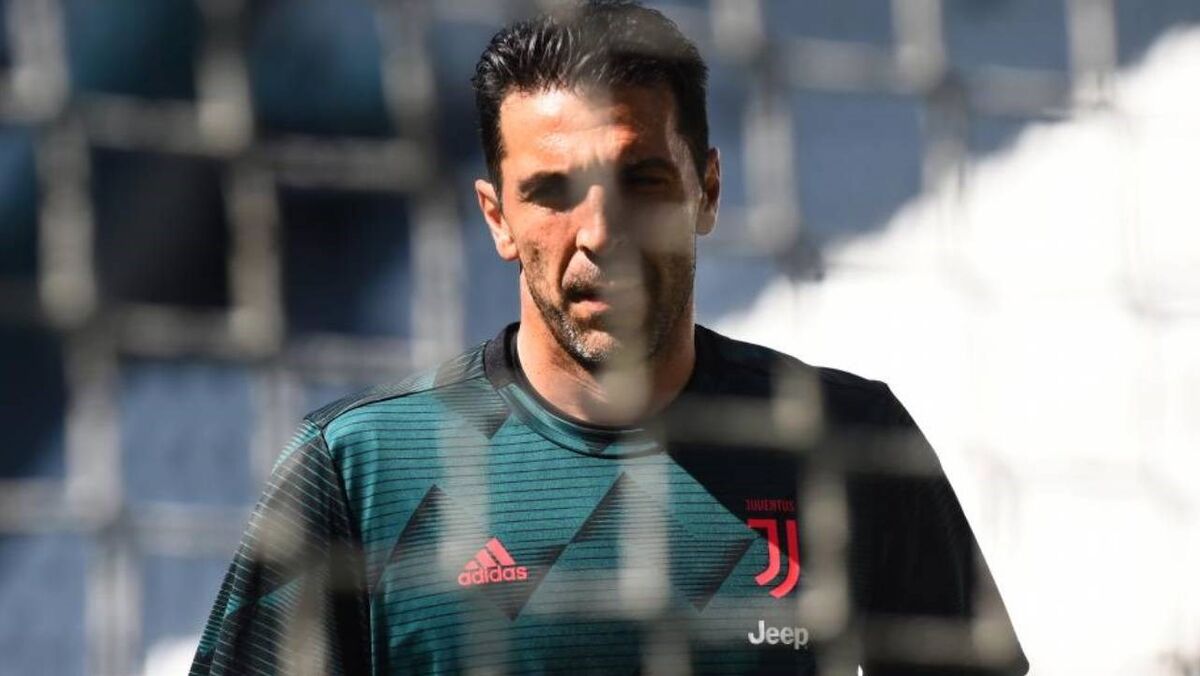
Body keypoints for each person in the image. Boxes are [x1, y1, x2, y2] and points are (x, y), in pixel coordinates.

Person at [190, 1, 1028, 674]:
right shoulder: (363, 469)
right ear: (498, 218)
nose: (599, 233)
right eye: (553, 191)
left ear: (707, 191)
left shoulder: (846, 443)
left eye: (641, 180)